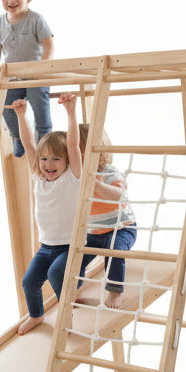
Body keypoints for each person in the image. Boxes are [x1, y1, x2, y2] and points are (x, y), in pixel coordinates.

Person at [11, 92, 83, 335]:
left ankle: (66, 315)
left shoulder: (73, 177)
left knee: (56, 274)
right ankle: (37, 315)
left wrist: (71, 111)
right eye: (44, 159)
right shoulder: (38, 177)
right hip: (46, 245)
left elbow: (73, 145)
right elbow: (29, 145)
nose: (48, 164)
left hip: (70, 245)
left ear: (66, 162)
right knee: (29, 282)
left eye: (55, 159)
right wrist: (21, 115)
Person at [0, 0, 54, 157]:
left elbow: (49, 44)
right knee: (7, 108)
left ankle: (44, 143)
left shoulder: (36, 20)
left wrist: (42, 68)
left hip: (35, 76)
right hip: (13, 77)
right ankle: (18, 138)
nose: (11, 0)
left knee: (40, 109)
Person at [76, 124, 137, 309]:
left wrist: (97, 185)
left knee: (114, 251)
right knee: (75, 258)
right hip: (94, 233)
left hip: (121, 228)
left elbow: (120, 195)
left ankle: (115, 291)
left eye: (82, 151)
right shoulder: (76, 176)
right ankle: (74, 289)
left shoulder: (109, 172)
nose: (78, 157)